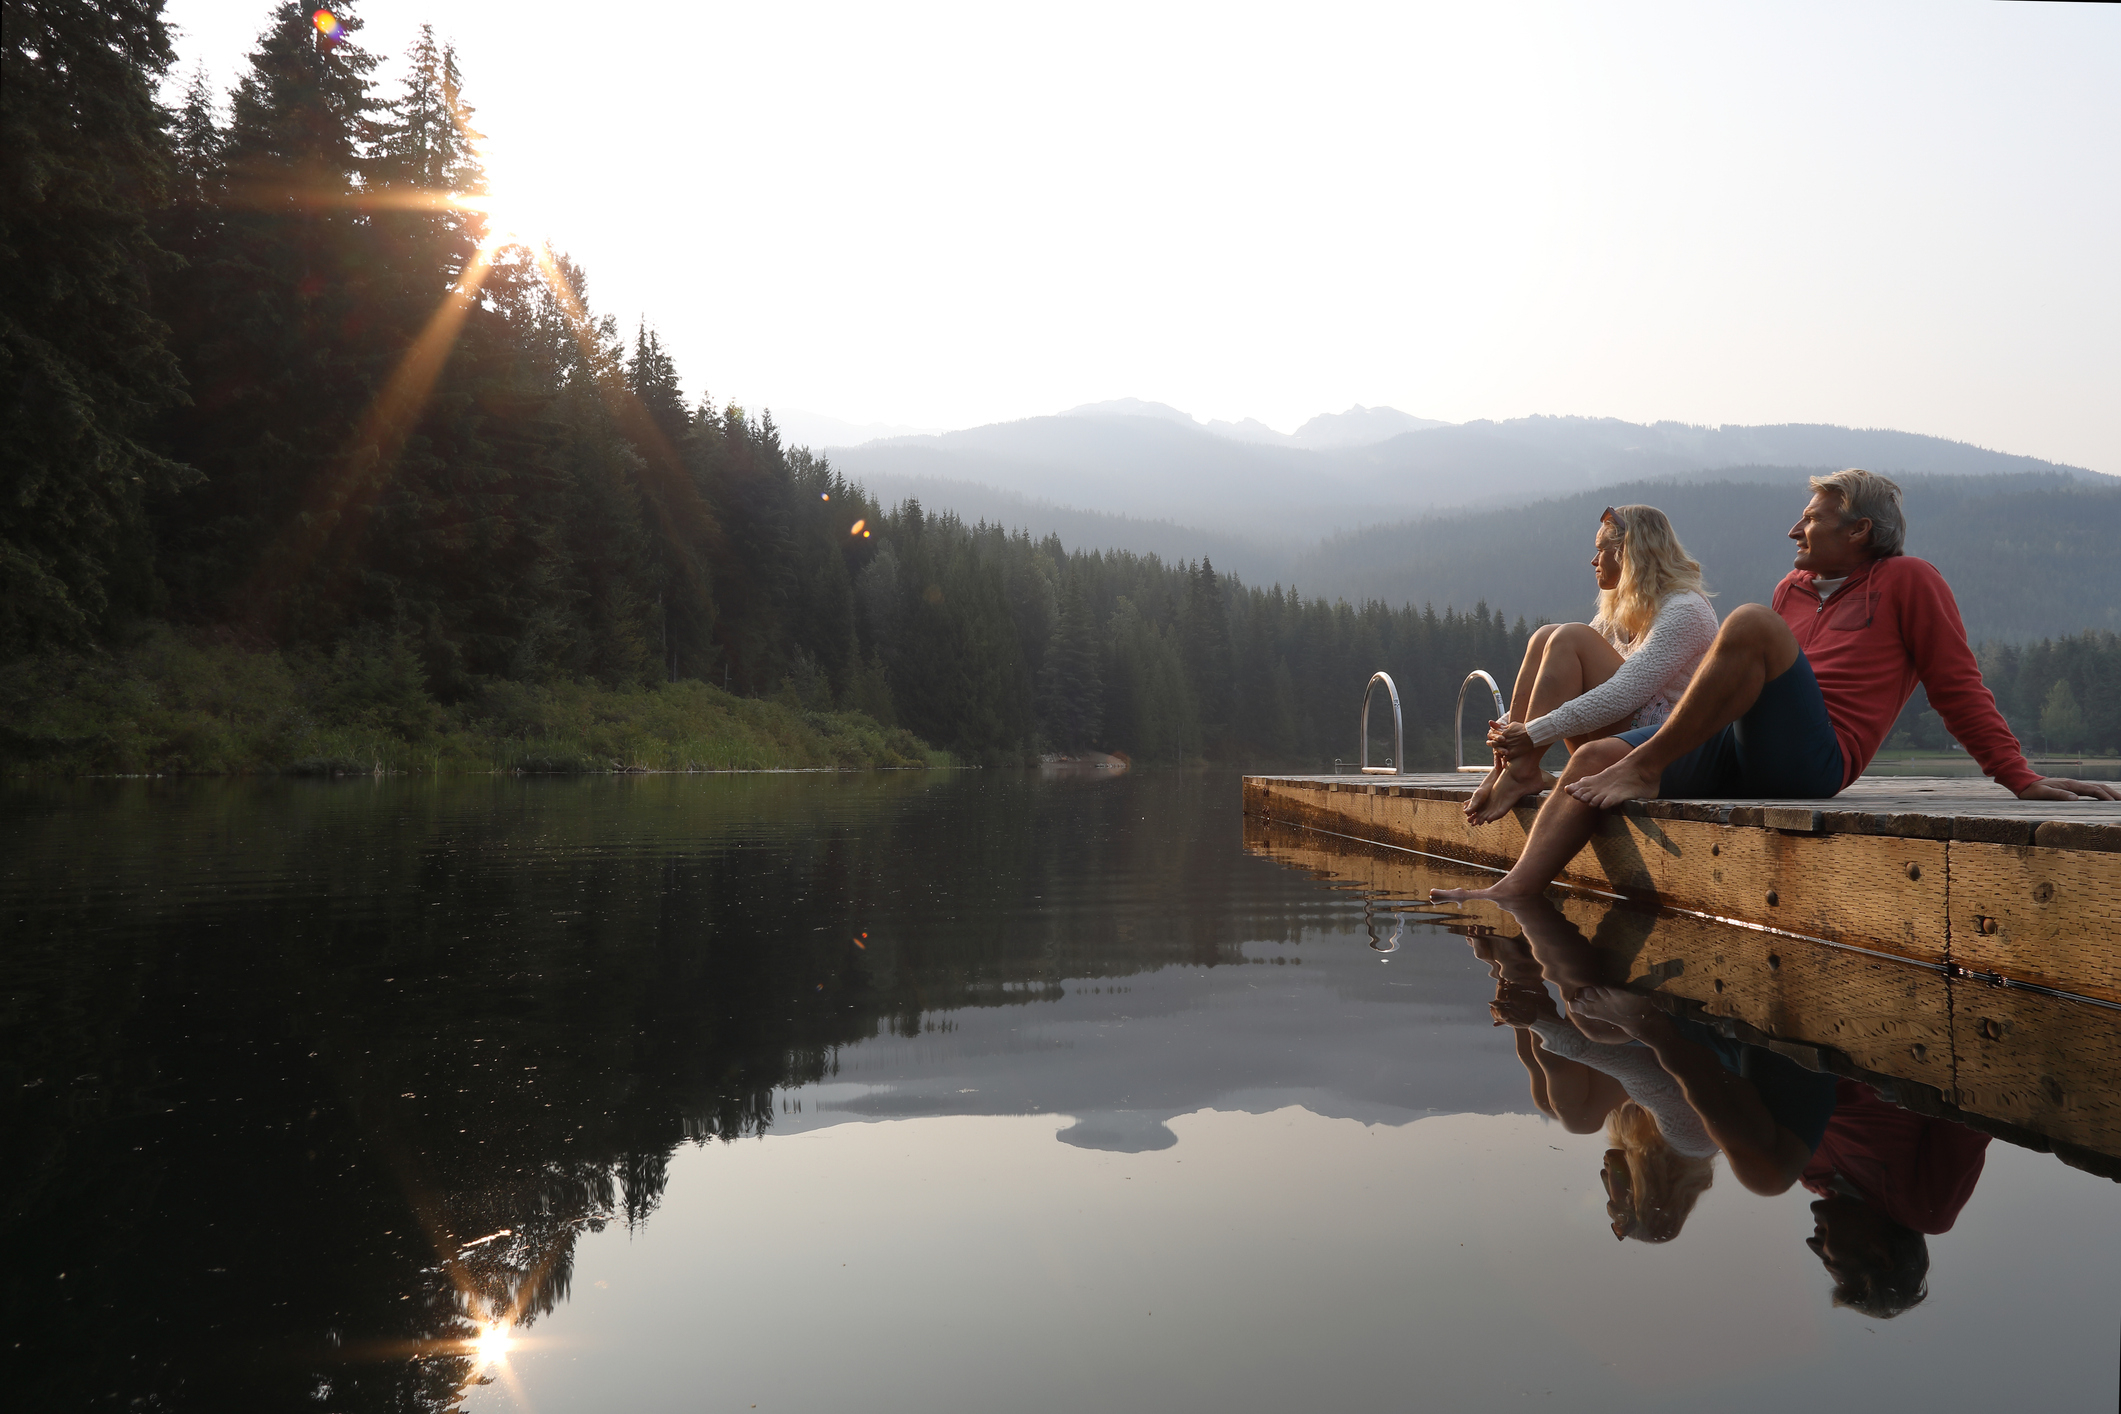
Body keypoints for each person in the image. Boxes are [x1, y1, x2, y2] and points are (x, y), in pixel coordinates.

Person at [1434, 469, 2118, 902]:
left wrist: (2019, 779)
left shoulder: (1910, 581)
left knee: (1750, 626)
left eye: (1813, 519)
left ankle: (1645, 766)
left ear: (1859, 531)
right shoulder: (1792, 589)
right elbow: (1727, 691)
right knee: (1589, 759)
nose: (1795, 529)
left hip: (1816, 759)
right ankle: (1513, 892)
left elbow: (1956, 686)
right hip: (1742, 746)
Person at [1463, 505, 1719, 825]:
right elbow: (1556, 679)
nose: (1593, 560)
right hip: (1616, 743)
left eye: (1601, 550)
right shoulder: (1620, 609)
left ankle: (1521, 771)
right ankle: (1512, 769)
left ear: (1628, 553)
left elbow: (1624, 693)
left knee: (1569, 637)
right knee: (1547, 636)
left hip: (1665, 751)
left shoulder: (1686, 609)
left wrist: (1530, 731)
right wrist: (1508, 730)